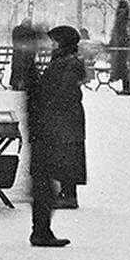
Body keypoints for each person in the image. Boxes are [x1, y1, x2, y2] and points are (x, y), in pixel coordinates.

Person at [10, 21, 66, 248]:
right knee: (44, 184)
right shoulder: (28, 67)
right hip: (43, 132)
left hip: (39, 131)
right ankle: (41, 232)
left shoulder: (26, 65)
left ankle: (41, 230)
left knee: (43, 183)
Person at [34, 23, 89, 215]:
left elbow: (65, 92)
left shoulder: (69, 63)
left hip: (66, 117)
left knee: (68, 154)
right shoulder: (62, 61)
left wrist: (46, 102)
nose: (51, 46)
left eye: (54, 42)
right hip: (63, 116)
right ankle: (65, 193)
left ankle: (69, 195)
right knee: (63, 154)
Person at [109, 0, 130, 95]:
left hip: (121, 47)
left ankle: (125, 88)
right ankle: (126, 87)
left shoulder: (120, 18)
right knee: (124, 68)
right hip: (125, 47)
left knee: (123, 67)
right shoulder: (128, 18)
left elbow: (117, 33)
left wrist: (114, 42)